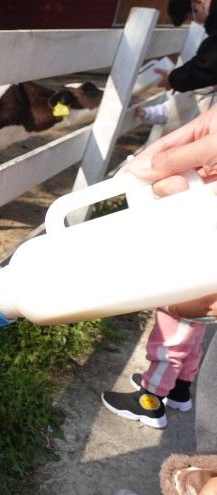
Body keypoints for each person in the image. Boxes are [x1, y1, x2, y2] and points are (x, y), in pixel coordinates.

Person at [101, 105, 217, 429]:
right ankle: (180, 390)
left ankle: (150, 400)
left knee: (171, 338)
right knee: (193, 335)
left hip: (188, 278)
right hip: (207, 274)